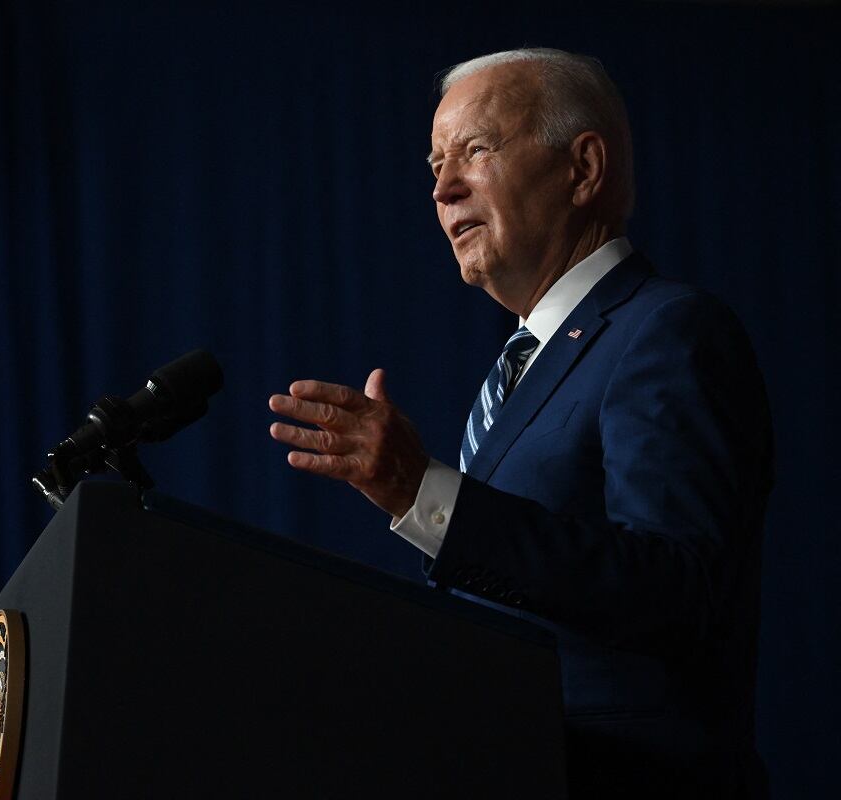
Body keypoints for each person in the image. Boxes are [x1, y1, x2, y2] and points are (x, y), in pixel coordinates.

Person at [268, 48, 772, 798]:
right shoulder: (522, 368)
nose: (442, 188)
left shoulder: (666, 331)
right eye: (435, 163)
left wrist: (424, 493)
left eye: (475, 150)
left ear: (584, 168)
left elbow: (678, 587)